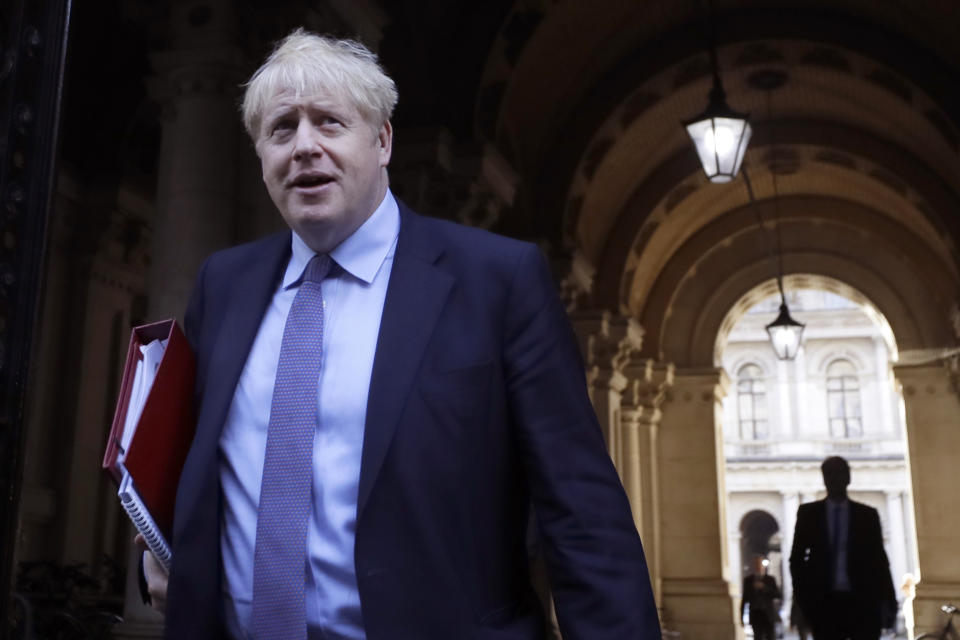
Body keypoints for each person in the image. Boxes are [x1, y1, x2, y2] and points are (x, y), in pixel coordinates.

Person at [138, 28, 660, 640]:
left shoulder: (497, 281)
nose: (304, 146)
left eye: (329, 122)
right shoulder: (223, 285)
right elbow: (190, 466)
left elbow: (582, 513)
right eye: (282, 129)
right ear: (261, 156)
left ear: (382, 140)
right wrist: (160, 545)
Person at [789, 456, 897, 640]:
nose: (835, 478)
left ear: (848, 477)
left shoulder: (867, 516)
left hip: (863, 603)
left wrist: (889, 601)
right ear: (824, 478)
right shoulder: (808, 514)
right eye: (830, 473)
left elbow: (879, 561)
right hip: (824, 606)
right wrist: (803, 599)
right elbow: (796, 559)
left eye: (839, 473)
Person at [741, 556, 781, 640]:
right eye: (756, 564)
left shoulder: (770, 579)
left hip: (768, 616)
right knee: (758, 637)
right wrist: (741, 618)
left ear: (763, 565)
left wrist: (764, 588)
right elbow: (744, 600)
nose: (758, 566)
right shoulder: (748, 580)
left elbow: (778, 595)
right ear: (753, 566)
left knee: (770, 637)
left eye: (759, 564)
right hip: (755, 616)